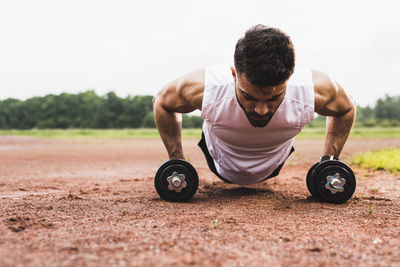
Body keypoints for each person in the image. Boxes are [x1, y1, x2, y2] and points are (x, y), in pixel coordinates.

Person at [153, 24, 356, 185]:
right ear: (233, 75)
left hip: (274, 163)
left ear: (290, 78)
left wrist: (329, 161)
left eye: (273, 98)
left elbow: (347, 108)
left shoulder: (310, 90)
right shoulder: (209, 88)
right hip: (219, 161)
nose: (261, 110)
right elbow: (162, 101)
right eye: (249, 97)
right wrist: (176, 161)